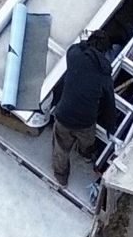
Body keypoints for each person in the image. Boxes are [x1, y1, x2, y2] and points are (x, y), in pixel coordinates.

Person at [50, 37, 117, 188]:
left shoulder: (74, 56)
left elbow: (75, 47)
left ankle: (61, 177)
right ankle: (86, 154)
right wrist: (110, 126)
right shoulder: (104, 74)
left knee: (61, 147)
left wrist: (85, 43)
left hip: (64, 115)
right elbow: (109, 102)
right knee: (87, 142)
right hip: (86, 121)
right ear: (105, 52)